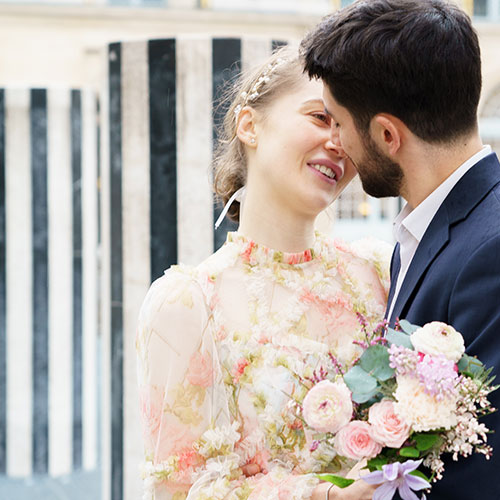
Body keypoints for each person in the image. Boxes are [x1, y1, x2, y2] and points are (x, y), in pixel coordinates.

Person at [136, 46, 391, 500]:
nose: (338, 143)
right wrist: (322, 496)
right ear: (250, 125)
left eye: (347, 128)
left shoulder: (377, 276)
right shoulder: (188, 303)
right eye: (319, 117)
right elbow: (176, 489)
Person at [301, 1, 500, 499]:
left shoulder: (491, 249)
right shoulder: (421, 232)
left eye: (339, 123)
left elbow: (480, 471)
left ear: (388, 134)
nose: (336, 143)